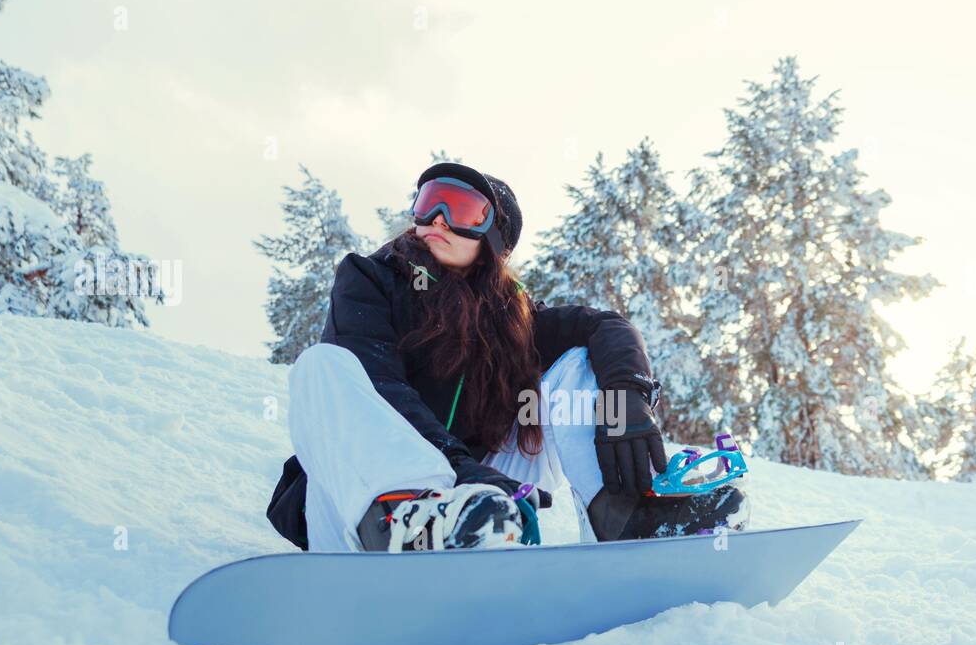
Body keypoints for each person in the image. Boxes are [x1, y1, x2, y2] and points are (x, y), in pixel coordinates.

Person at [267, 162, 747, 552]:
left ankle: (625, 515)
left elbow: (605, 325)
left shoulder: (507, 318)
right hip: (361, 506)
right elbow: (381, 387)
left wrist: (627, 396)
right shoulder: (370, 281)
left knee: (580, 359)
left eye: (460, 208)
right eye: (428, 200)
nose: (435, 218)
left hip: (476, 504)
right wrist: (459, 469)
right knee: (323, 367)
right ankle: (408, 520)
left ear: (494, 240)